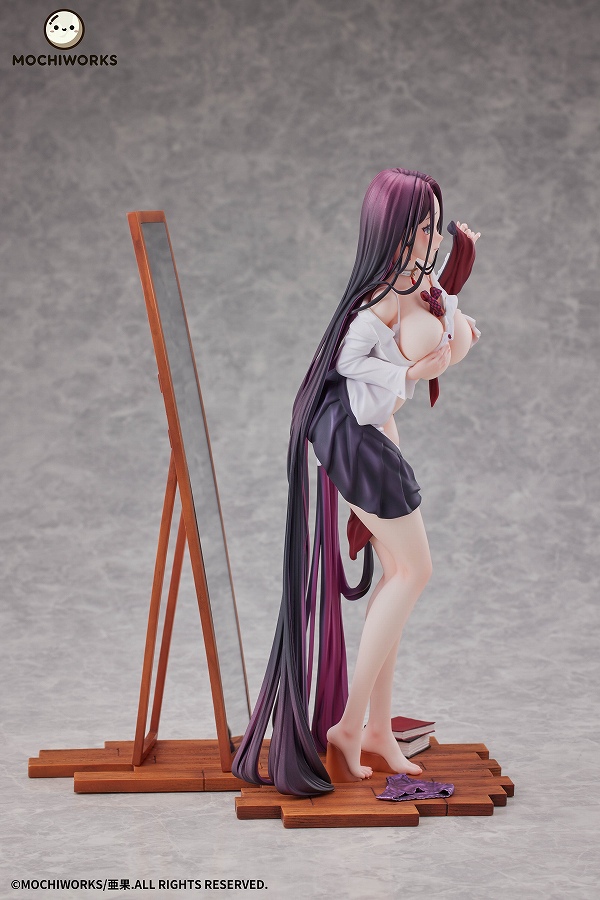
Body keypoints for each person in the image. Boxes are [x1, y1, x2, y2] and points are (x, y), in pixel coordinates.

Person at [232, 168, 481, 796]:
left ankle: (376, 730)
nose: (431, 237)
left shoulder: (415, 283)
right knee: (416, 570)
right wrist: (409, 371)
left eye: (435, 224)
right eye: (422, 226)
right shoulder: (381, 296)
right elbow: (347, 361)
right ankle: (347, 727)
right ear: (393, 229)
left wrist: (454, 309)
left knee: (399, 573)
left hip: (372, 432)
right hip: (354, 437)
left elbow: (442, 324)